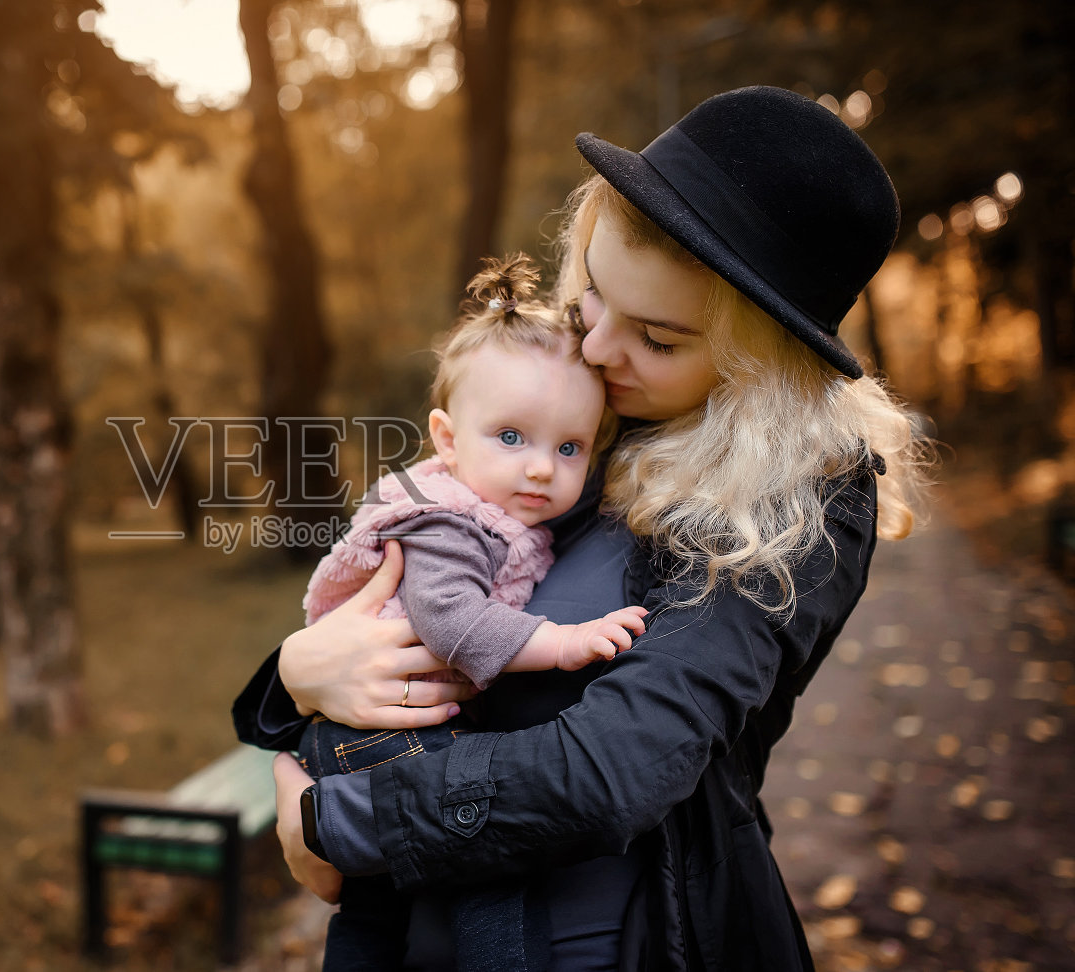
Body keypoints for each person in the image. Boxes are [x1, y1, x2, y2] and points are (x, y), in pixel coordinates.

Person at [232, 85, 933, 971]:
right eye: (594, 291)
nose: (599, 348)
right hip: (427, 925)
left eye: (659, 337)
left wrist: (334, 822)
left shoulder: (799, 496)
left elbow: (615, 769)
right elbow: (429, 558)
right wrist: (297, 673)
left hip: (634, 938)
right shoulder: (586, 407)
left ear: (762, 366)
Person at [296, 254, 648, 966]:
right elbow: (452, 620)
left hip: (375, 729)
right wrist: (563, 640)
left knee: (371, 907)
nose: (543, 467)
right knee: (489, 866)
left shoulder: (502, 512)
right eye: (512, 438)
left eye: (569, 446)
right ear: (448, 439)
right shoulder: (446, 521)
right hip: (374, 734)